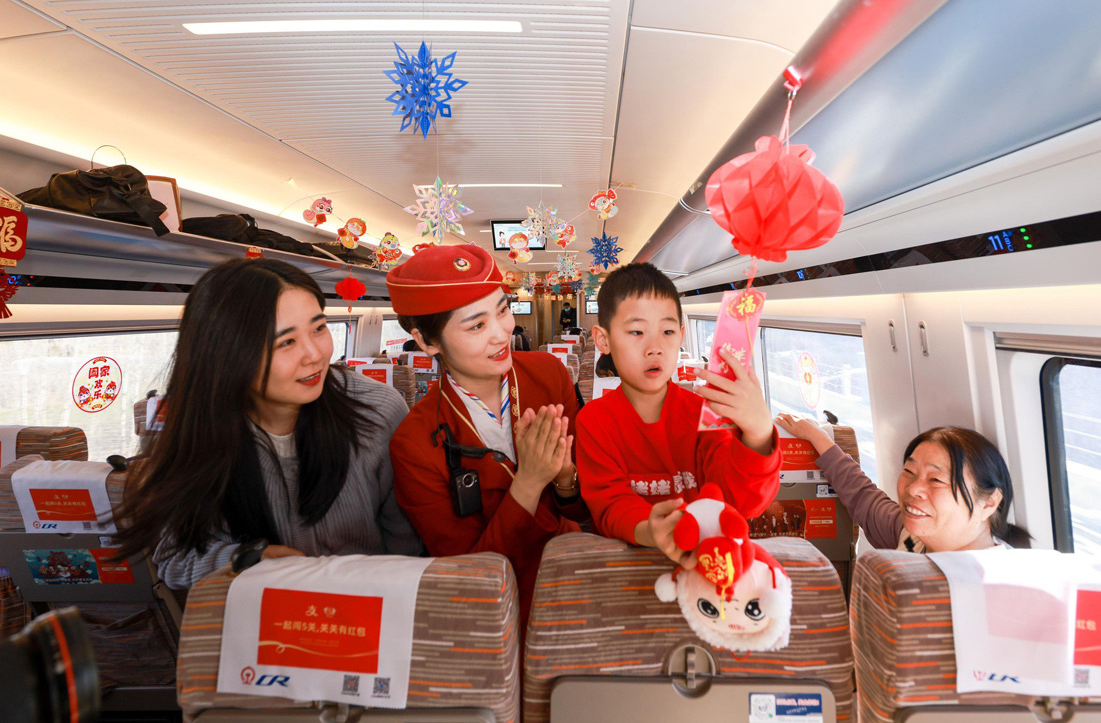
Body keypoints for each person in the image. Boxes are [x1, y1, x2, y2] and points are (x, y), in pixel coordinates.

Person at [113, 259, 422, 588]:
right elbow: (175, 560)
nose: (315, 354)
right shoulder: (195, 431)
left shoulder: (377, 410)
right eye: (286, 342)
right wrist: (243, 560)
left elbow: (408, 548)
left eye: (319, 328)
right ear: (228, 355)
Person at [386, 244, 588, 622]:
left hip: (572, 569)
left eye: (503, 310)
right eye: (477, 325)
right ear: (427, 341)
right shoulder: (415, 443)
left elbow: (587, 510)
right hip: (498, 611)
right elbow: (471, 575)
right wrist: (529, 481)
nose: (502, 333)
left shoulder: (548, 374)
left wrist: (565, 479)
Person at [576, 263, 781, 569]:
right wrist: (652, 530)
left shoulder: (705, 414)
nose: (655, 348)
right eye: (636, 332)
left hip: (702, 564)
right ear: (603, 340)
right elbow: (610, 504)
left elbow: (741, 503)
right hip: (627, 566)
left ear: (682, 335)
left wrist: (759, 433)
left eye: (668, 332)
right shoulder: (593, 420)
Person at [774, 415, 1032, 551]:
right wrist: (816, 437)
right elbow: (862, 496)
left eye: (936, 479)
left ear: (989, 503)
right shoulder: (910, 537)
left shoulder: (1010, 585)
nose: (912, 489)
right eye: (909, 471)